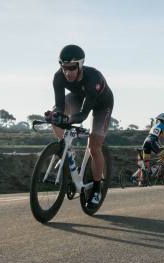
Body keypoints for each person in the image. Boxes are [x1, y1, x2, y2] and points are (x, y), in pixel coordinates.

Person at [45, 45, 114, 207]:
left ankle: (97, 188)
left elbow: (83, 115)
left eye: (72, 68)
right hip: (78, 97)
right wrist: (57, 116)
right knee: (55, 115)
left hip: (101, 104)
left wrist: (67, 120)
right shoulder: (58, 77)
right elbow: (60, 105)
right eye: (64, 68)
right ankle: (66, 149)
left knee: (94, 146)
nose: (67, 72)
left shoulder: (93, 79)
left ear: (80, 65)